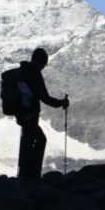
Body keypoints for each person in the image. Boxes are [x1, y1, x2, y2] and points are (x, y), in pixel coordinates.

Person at [14, 48, 68, 180]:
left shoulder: (22, 71)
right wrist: (61, 103)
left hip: (21, 114)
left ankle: (23, 173)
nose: (44, 67)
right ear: (41, 62)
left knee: (27, 140)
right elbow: (45, 97)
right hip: (30, 115)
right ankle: (32, 175)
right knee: (39, 139)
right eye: (44, 64)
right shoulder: (34, 73)